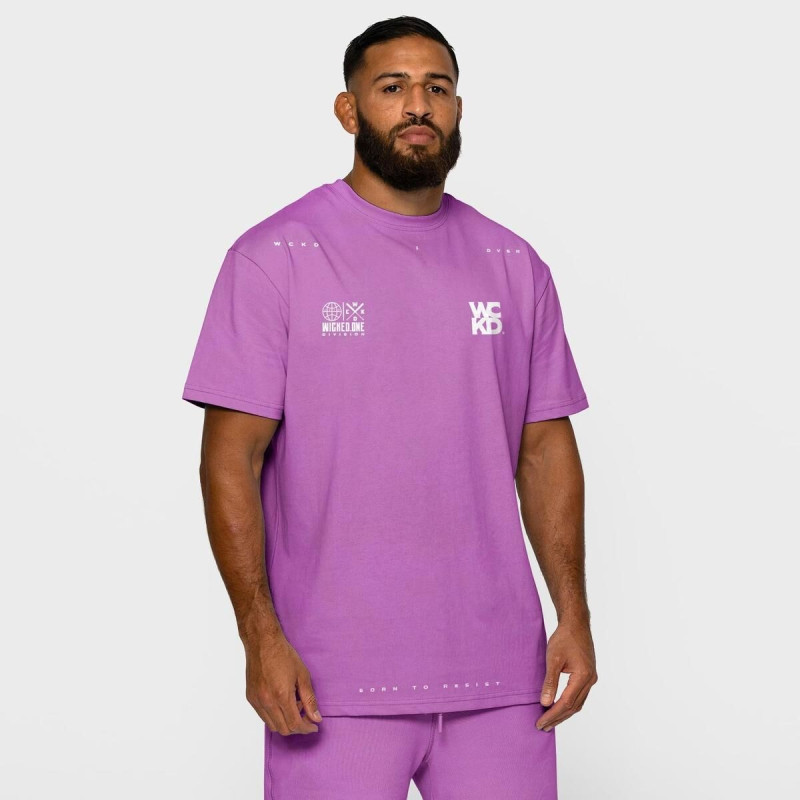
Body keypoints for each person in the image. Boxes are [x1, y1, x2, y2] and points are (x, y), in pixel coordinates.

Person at [181, 15, 597, 800]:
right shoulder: (276, 258)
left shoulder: (513, 264)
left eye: (436, 87)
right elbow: (229, 458)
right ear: (349, 110)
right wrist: (259, 635)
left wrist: (572, 614)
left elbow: (545, 451)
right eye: (392, 87)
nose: (417, 105)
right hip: (329, 684)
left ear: (458, 108)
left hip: (504, 681)